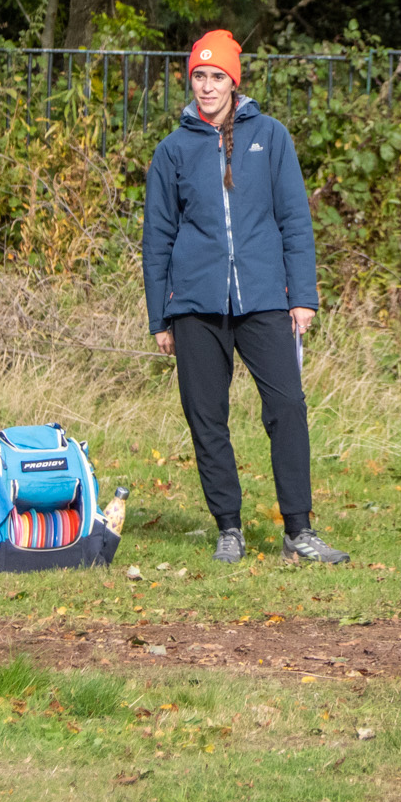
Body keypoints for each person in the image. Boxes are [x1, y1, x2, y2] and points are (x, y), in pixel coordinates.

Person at [141, 30, 348, 566]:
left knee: (286, 407)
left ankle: (298, 530)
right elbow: (158, 238)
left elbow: (294, 221)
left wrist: (301, 296)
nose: (207, 86)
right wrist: (159, 316)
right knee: (206, 416)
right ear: (190, 81)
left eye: (217, 76)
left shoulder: (271, 136)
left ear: (235, 81)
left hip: (263, 298)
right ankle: (228, 527)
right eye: (199, 76)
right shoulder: (173, 150)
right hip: (194, 306)